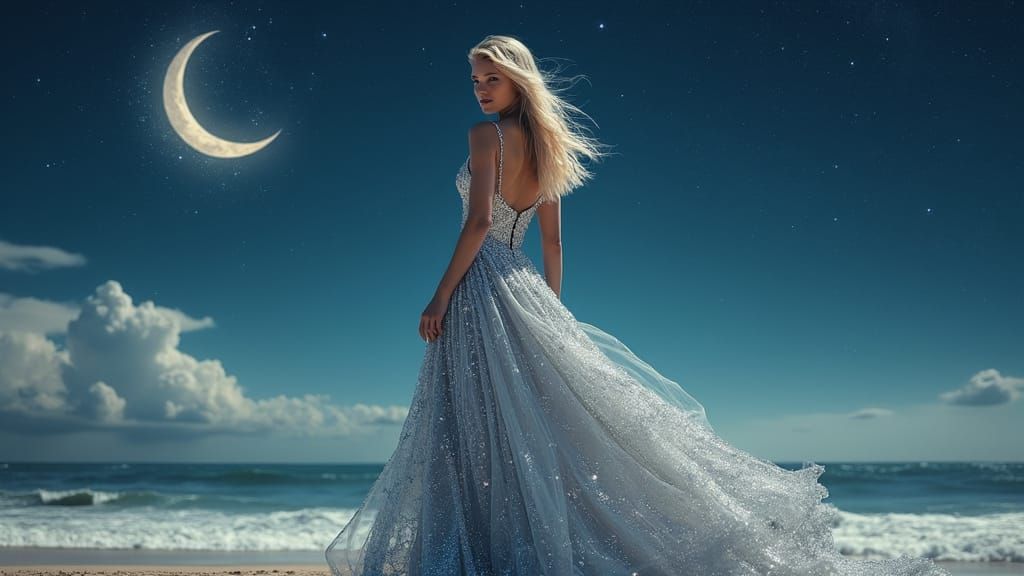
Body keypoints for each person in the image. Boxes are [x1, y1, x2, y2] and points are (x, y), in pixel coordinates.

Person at [325, 34, 949, 576]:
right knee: (521, 425)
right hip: (525, 290)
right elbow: (554, 245)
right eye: (475, 80)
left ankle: (486, 549)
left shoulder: (485, 135)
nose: (481, 89)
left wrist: (439, 294)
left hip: (481, 282)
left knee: (474, 422)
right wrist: (552, 319)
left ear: (517, 79)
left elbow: (481, 221)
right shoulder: (547, 149)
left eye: (492, 78)